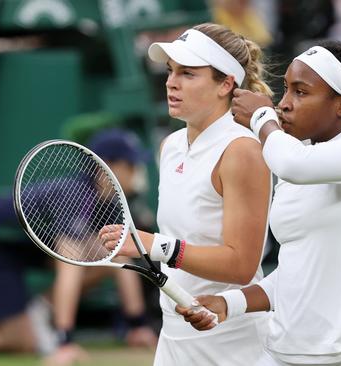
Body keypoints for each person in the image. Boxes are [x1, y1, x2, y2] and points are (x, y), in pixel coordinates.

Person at [176, 40, 341, 365]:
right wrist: (229, 303)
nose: (285, 103)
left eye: (301, 92)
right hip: (283, 354)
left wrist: (262, 116)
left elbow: (294, 163)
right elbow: (297, 274)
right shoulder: (293, 160)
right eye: (286, 90)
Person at [99, 23, 272, 365]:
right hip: (175, 334)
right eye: (170, 71)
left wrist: (154, 245)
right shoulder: (171, 146)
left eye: (188, 74)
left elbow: (241, 264)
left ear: (226, 84)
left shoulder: (241, 150)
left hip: (234, 342)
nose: (171, 82)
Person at [0, 128, 158, 364]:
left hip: (22, 248)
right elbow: (69, 267)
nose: (137, 172)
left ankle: (41, 312)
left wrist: (137, 326)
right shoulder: (75, 195)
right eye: (131, 165)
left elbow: (118, 257)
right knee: (19, 343)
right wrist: (64, 343)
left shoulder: (109, 202)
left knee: (112, 255)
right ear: (107, 165)